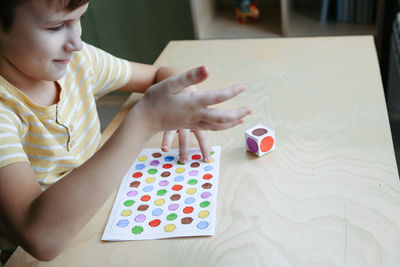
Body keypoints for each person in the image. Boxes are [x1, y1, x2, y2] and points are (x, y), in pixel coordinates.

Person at [0, 0, 251, 263]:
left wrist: (181, 95)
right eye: (56, 27)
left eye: (79, 19)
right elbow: (40, 238)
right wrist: (146, 120)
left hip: (94, 214)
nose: (77, 43)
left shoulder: (79, 62)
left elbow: (158, 75)